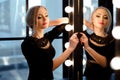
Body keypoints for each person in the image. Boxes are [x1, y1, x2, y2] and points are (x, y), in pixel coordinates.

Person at [21, 5, 79, 80]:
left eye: (46, 15)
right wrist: (70, 49)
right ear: (31, 21)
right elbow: (49, 68)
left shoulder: (45, 39)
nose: (45, 19)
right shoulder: (28, 44)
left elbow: (66, 21)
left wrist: (48, 23)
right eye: (39, 17)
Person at [80, 6, 115, 80]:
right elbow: (75, 20)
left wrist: (87, 47)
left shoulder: (113, 40)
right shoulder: (85, 36)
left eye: (105, 17)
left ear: (109, 21)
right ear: (92, 19)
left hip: (107, 77)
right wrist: (88, 24)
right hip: (89, 75)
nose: (101, 19)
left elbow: (105, 64)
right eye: (98, 16)